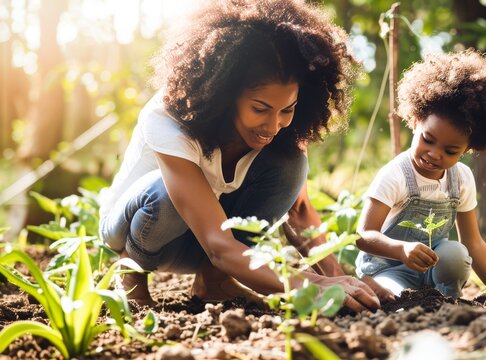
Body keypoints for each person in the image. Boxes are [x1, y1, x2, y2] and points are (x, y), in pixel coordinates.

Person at [98, 0, 381, 312]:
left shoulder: (279, 130)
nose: (273, 125)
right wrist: (310, 285)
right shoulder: (168, 119)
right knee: (164, 194)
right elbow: (218, 245)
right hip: (135, 231)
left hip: (204, 244)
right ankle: (130, 273)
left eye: (287, 109)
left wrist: (342, 282)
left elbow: (299, 211)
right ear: (224, 94)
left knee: (292, 164)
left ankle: (213, 282)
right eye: (259, 108)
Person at [355, 49, 486, 298]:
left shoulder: (461, 179)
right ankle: (386, 290)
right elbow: (363, 236)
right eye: (428, 139)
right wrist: (401, 249)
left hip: (435, 270)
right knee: (396, 298)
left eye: (450, 150)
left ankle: (446, 299)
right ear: (415, 122)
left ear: (468, 148)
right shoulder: (395, 175)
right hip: (389, 270)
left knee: (456, 254)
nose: (435, 154)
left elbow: (473, 243)